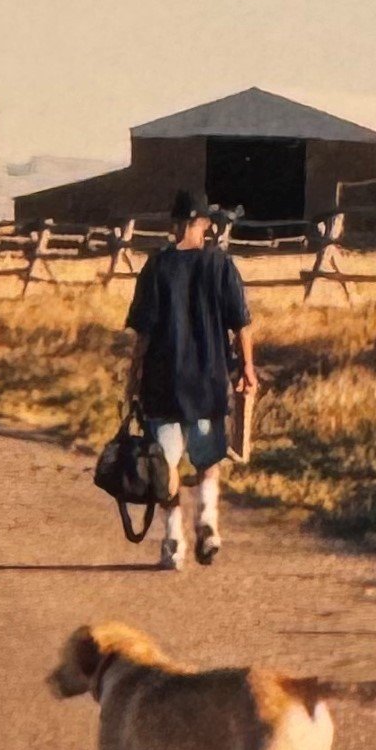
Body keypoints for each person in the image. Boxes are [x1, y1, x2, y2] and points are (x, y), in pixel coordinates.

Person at [124, 190, 258, 572]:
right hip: (208, 381)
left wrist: (132, 379)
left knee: (165, 468)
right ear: (205, 225)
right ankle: (208, 523)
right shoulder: (221, 266)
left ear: (173, 224)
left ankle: (173, 543)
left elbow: (143, 336)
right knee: (208, 461)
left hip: (163, 384)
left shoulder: (156, 267)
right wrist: (247, 368)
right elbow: (242, 324)